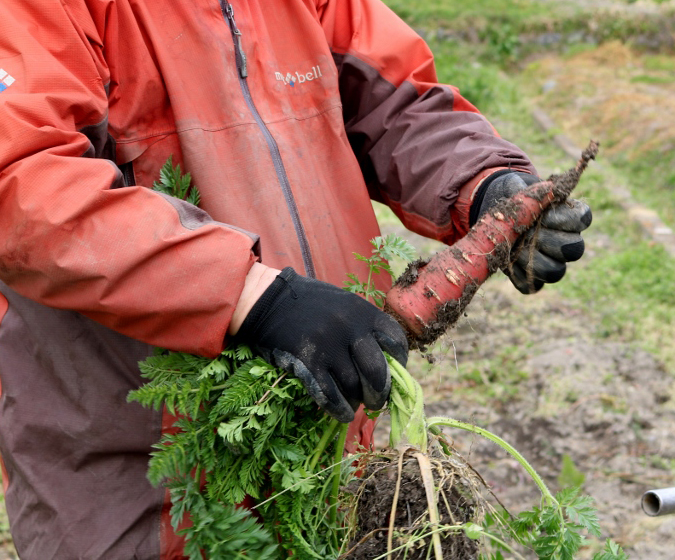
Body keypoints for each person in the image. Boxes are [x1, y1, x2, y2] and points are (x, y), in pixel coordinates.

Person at [0, 0, 591, 557]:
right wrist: (251, 296)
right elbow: (23, 181)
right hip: (138, 468)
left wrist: (482, 183)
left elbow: (392, 101)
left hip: (321, 421)